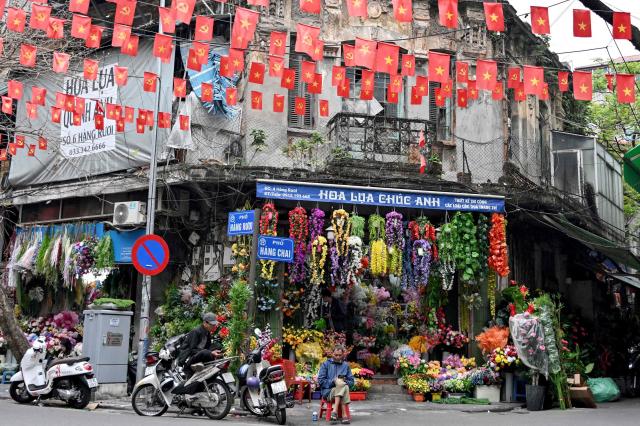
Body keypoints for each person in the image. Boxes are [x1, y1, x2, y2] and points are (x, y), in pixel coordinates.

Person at [317, 345, 354, 425]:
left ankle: (334, 412)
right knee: (342, 385)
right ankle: (343, 415)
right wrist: (333, 381)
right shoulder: (325, 364)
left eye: (340, 355)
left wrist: (344, 381)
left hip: (341, 390)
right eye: (336, 355)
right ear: (332, 353)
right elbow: (321, 381)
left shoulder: (346, 365)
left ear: (343, 354)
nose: (338, 357)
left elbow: (351, 382)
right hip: (328, 392)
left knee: (344, 385)